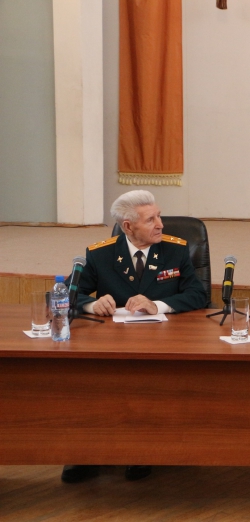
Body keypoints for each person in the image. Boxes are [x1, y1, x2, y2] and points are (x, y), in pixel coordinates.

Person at [61, 190, 207, 484]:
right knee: (88, 381)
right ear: (127, 226)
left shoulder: (175, 250)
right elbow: (65, 294)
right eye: (151, 219)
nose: (161, 224)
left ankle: (140, 449)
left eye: (159, 216)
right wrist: (91, 304)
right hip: (112, 343)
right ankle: (85, 452)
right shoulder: (101, 254)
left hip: (164, 341)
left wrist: (159, 305)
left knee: (147, 383)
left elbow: (198, 295)